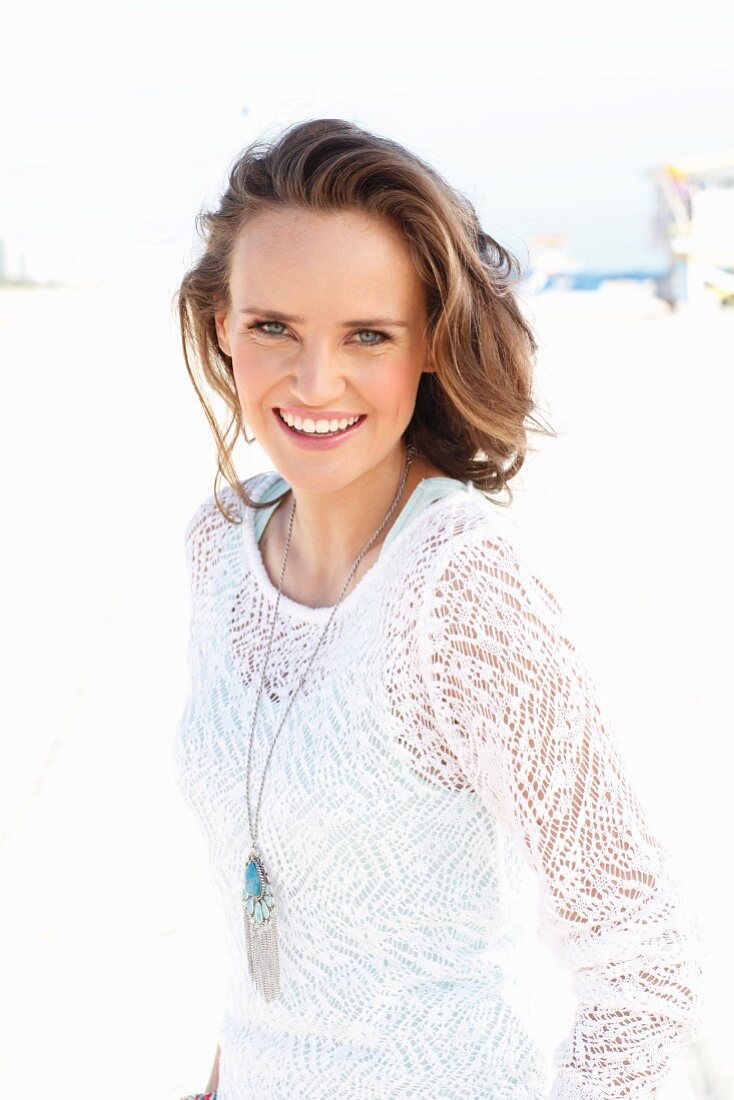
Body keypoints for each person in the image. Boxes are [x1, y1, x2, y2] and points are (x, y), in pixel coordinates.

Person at [172, 118, 705, 1099]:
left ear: (427, 346)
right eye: (272, 326)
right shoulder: (218, 543)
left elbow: (640, 960)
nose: (314, 379)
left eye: (365, 334)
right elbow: (282, 920)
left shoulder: (461, 588)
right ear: (222, 325)